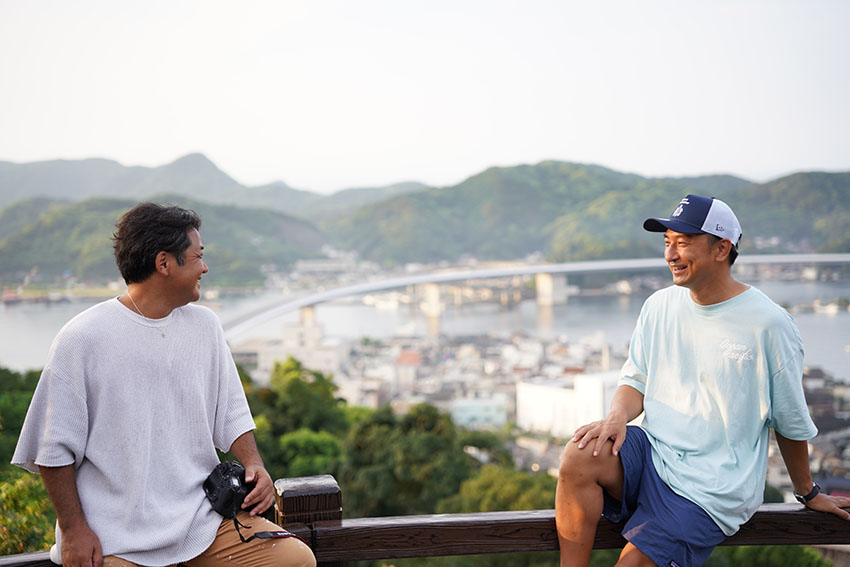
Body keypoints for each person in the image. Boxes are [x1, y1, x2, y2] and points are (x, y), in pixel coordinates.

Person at [13, 203, 316, 567]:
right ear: (164, 263)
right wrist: (74, 529)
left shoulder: (205, 327)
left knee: (297, 559)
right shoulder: (82, 337)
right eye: (198, 257)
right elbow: (53, 450)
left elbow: (231, 412)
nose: (205, 267)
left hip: (200, 523)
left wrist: (255, 464)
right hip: (115, 536)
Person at [554, 194, 850, 567]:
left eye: (683, 242)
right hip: (654, 454)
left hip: (710, 489)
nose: (670, 254)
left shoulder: (769, 324)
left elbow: (788, 419)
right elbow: (636, 379)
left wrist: (806, 492)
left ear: (722, 248)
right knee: (580, 454)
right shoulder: (659, 306)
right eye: (667, 242)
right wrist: (616, 418)